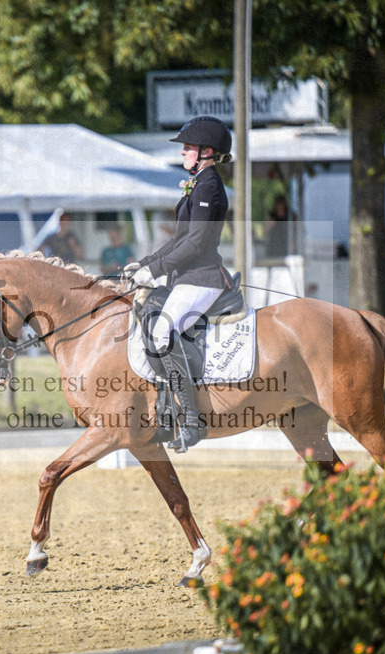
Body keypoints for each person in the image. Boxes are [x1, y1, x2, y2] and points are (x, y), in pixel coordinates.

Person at [124, 115, 236, 452]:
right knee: (147, 322)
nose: (183, 151)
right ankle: (166, 413)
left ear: (206, 151)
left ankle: (192, 420)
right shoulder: (198, 184)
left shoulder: (209, 186)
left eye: (188, 147)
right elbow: (178, 240)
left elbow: (196, 245)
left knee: (161, 332)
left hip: (202, 278)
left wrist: (155, 270)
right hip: (186, 277)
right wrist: (143, 265)